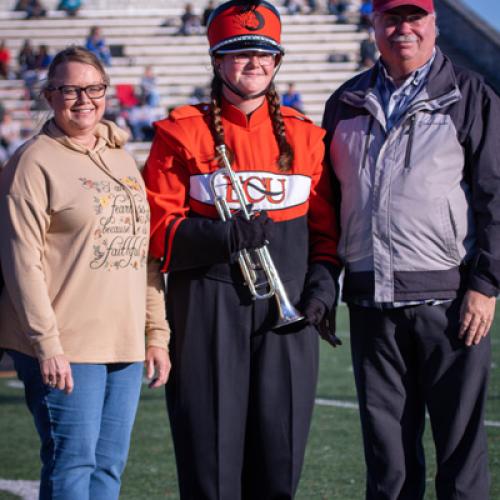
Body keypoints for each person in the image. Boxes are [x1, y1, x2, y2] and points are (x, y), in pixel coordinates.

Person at [142, 1, 340, 498]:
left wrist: (320, 290)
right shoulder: (178, 131)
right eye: (238, 52)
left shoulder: (308, 137)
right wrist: (221, 237)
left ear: (277, 62)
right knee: (210, 467)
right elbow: (157, 229)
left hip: (287, 314)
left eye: (264, 53)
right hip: (206, 307)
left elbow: (326, 233)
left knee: (280, 462)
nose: (253, 61)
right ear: (216, 60)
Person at [322, 0, 500, 498]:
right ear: (374, 23)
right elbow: (329, 204)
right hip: (370, 305)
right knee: (388, 467)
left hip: (451, 305)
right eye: (391, 18)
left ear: (433, 23)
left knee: (461, 462)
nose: (404, 29)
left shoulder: (471, 95)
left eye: (414, 17)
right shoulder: (345, 101)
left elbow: (496, 197)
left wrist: (485, 286)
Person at [0, 46, 170, 500]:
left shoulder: (121, 156)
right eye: (69, 89)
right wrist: (46, 345)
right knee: (72, 464)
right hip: (65, 344)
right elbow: (21, 262)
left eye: (93, 88)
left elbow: (144, 255)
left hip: (125, 342)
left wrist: (156, 334)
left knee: (108, 468)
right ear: (49, 95)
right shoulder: (32, 162)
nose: (83, 99)